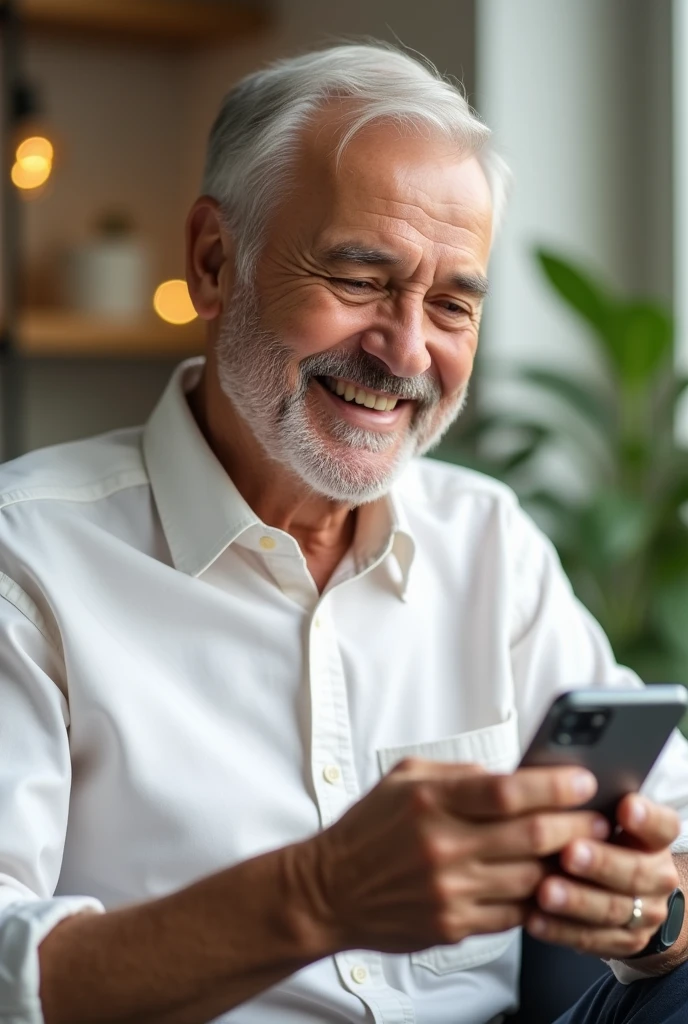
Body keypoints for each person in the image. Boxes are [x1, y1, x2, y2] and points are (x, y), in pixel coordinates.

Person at [0, 41, 687, 1024]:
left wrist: (644, 908)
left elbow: (675, 836)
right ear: (211, 263)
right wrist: (317, 895)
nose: (407, 349)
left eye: (451, 302)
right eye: (360, 279)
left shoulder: (486, 538)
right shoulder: (26, 560)